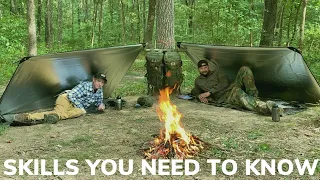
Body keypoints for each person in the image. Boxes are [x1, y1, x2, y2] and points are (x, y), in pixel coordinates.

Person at [191, 59, 280, 115]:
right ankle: (266, 108)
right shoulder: (198, 81)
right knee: (238, 93)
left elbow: (224, 83)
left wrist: (209, 92)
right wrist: (199, 96)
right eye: (201, 68)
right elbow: (195, 91)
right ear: (198, 69)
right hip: (225, 97)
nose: (204, 70)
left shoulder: (217, 72)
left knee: (244, 69)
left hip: (230, 88)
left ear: (208, 67)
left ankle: (253, 97)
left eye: (205, 67)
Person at [13, 72, 107, 124]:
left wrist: (101, 105)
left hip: (75, 107)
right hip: (66, 99)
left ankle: (54, 117)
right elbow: (71, 95)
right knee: (77, 111)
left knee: (81, 112)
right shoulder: (85, 85)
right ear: (94, 80)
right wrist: (80, 106)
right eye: (98, 81)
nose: (100, 84)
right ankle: (28, 117)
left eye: (102, 82)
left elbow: (99, 102)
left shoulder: (99, 91)